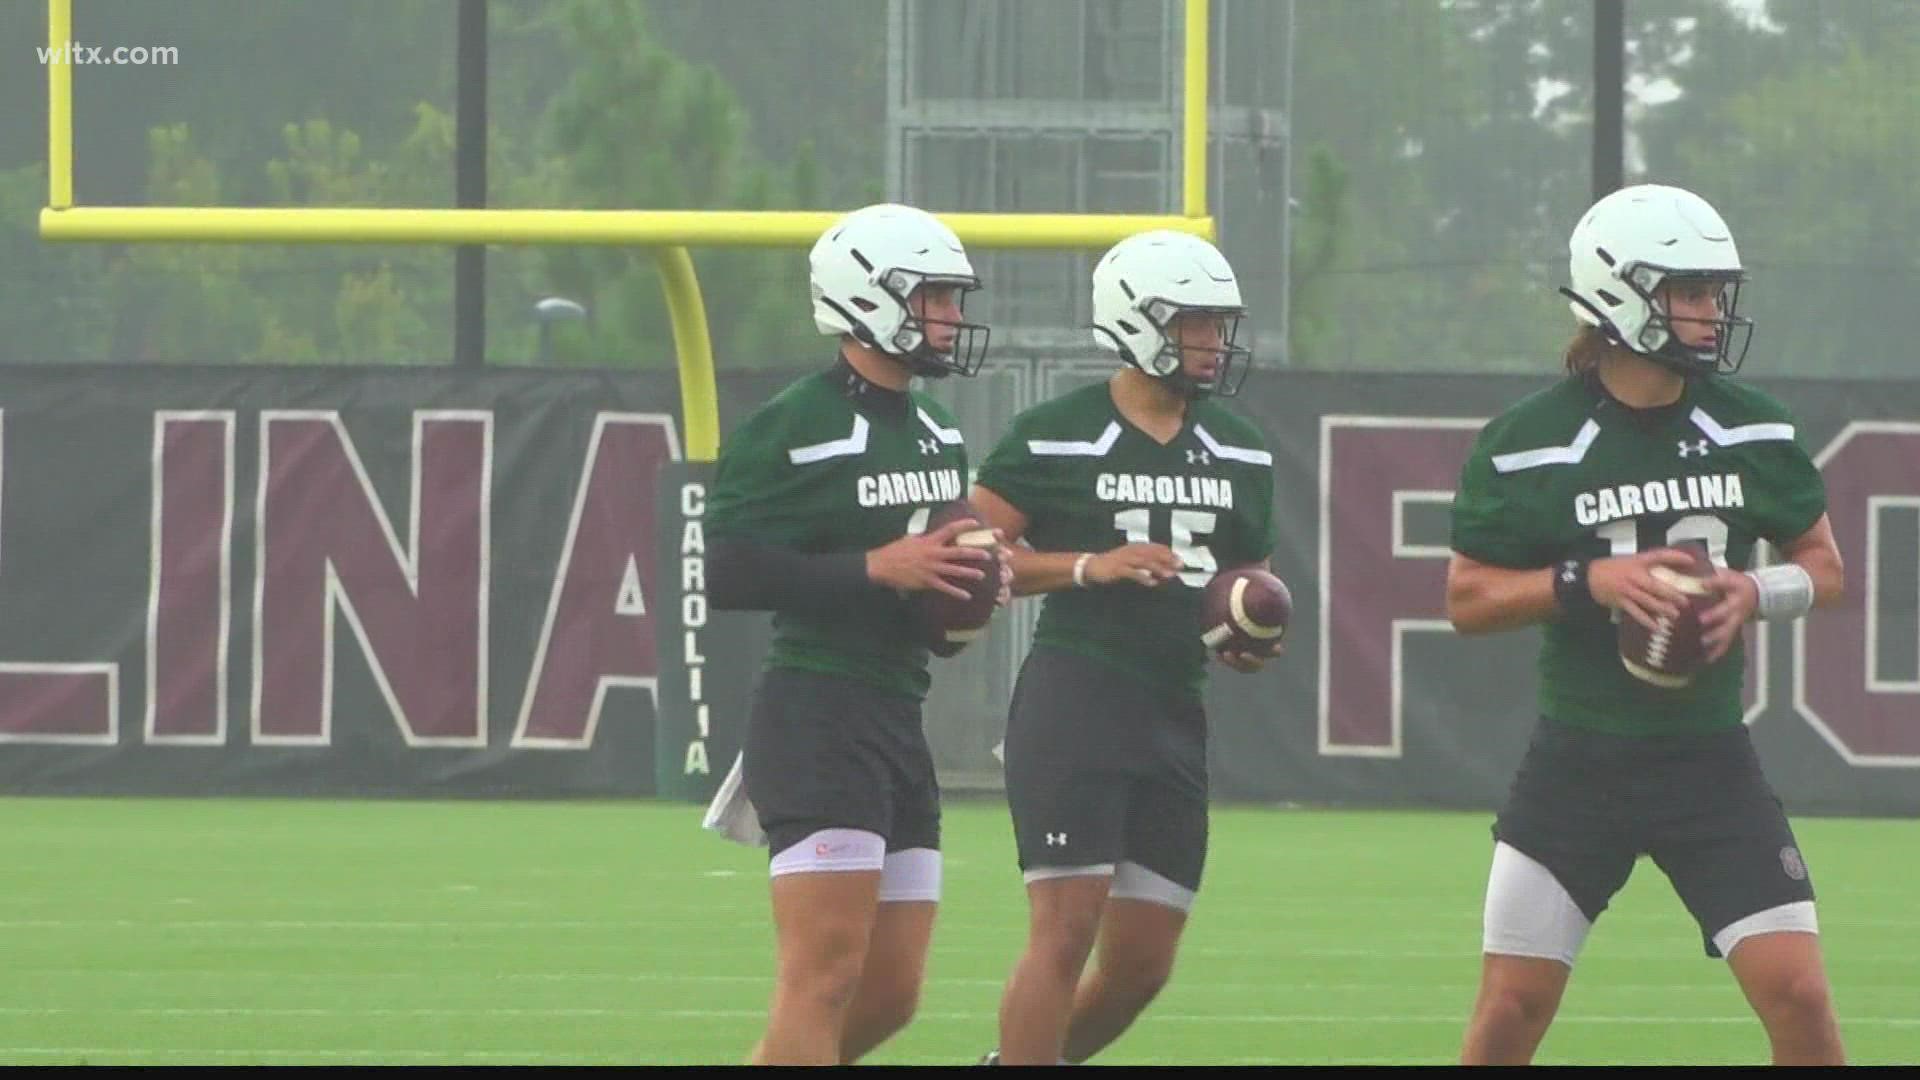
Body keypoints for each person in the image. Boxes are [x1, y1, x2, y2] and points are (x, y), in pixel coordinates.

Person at [1446, 183, 1847, 1066]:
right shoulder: (1530, 439)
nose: (1712, 314)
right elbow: (1467, 598)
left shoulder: (1753, 426)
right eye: (1692, 294)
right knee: (1510, 1010)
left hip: (1709, 761)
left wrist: (1751, 590)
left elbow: (1824, 569)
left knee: (1802, 996)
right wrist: (1590, 579)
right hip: (1577, 762)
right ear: (1621, 293)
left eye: (1714, 294)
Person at [702, 202, 1011, 1065]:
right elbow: (727, 574)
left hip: (894, 711)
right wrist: (877, 567)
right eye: (934, 298)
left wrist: (973, 591)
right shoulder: (791, 425)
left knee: (892, 992)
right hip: (816, 713)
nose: (950, 318)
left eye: (953, 299)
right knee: (824, 975)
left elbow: (934, 604)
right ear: (867, 299)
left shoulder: (938, 430)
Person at [967, 230, 1281, 1066]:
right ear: (1137, 322)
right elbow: (964, 558)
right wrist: (1084, 565)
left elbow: (1248, 574)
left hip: (1175, 708)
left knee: (1142, 964)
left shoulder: (1241, 446)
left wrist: (1247, 628)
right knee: (1064, 932)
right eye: (1195, 324)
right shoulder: (1053, 434)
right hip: (1078, 698)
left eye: (1220, 324)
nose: (1214, 343)